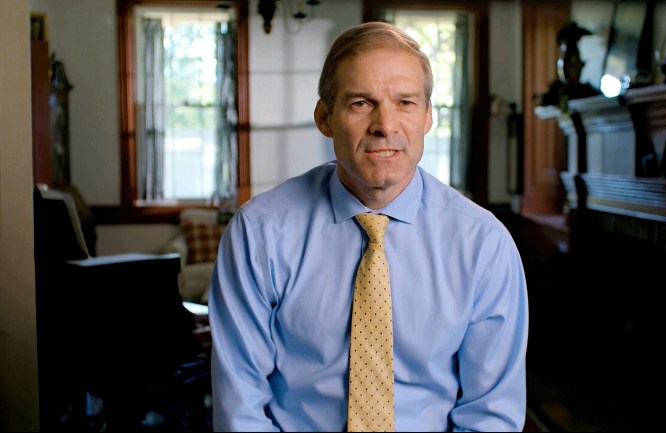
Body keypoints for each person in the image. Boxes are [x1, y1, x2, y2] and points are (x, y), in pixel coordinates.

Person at [208, 21, 529, 432]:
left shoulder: (483, 244)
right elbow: (241, 409)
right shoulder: (259, 233)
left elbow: (490, 414)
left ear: (428, 117)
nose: (385, 125)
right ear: (325, 118)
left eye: (406, 103)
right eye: (361, 103)